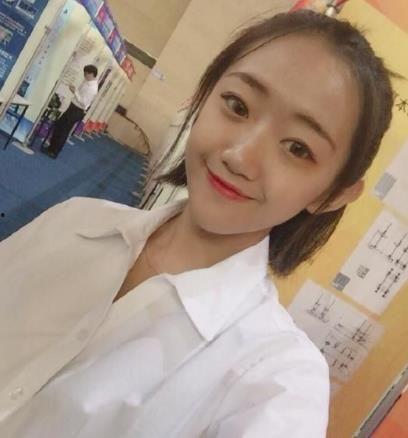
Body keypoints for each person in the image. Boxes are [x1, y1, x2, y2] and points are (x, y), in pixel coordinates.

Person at [0, 10, 394, 438]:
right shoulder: (74, 220)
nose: (239, 156)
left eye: (298, 148)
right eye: (238, 106)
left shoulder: (277, 385)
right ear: (203, 96)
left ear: (331, 195)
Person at [42, 64, 99, 159]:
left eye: (86, 74)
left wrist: (75, 92)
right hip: (73, 107)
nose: (84, 76)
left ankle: (54, 151)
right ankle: (51, 147)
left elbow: (84, 102)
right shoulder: (87, 82)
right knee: (59, 126)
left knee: (64, 131)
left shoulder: (92, 88)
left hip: (77, 110)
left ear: (91, 74)